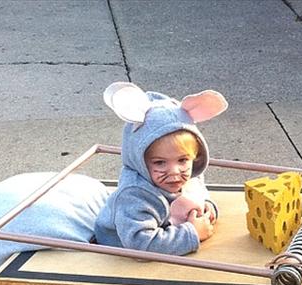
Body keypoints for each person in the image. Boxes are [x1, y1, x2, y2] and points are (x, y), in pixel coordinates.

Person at [95, 82, 228, 255]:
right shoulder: (134, 195)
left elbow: (199, 195)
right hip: (121, 248)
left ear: (194, 157)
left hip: (169, 231)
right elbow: (140, 244)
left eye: (182, 160)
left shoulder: (190, 176)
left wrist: (206, 208)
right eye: (159, 162)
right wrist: (192, 233)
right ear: (139, 161)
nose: (174, 172)